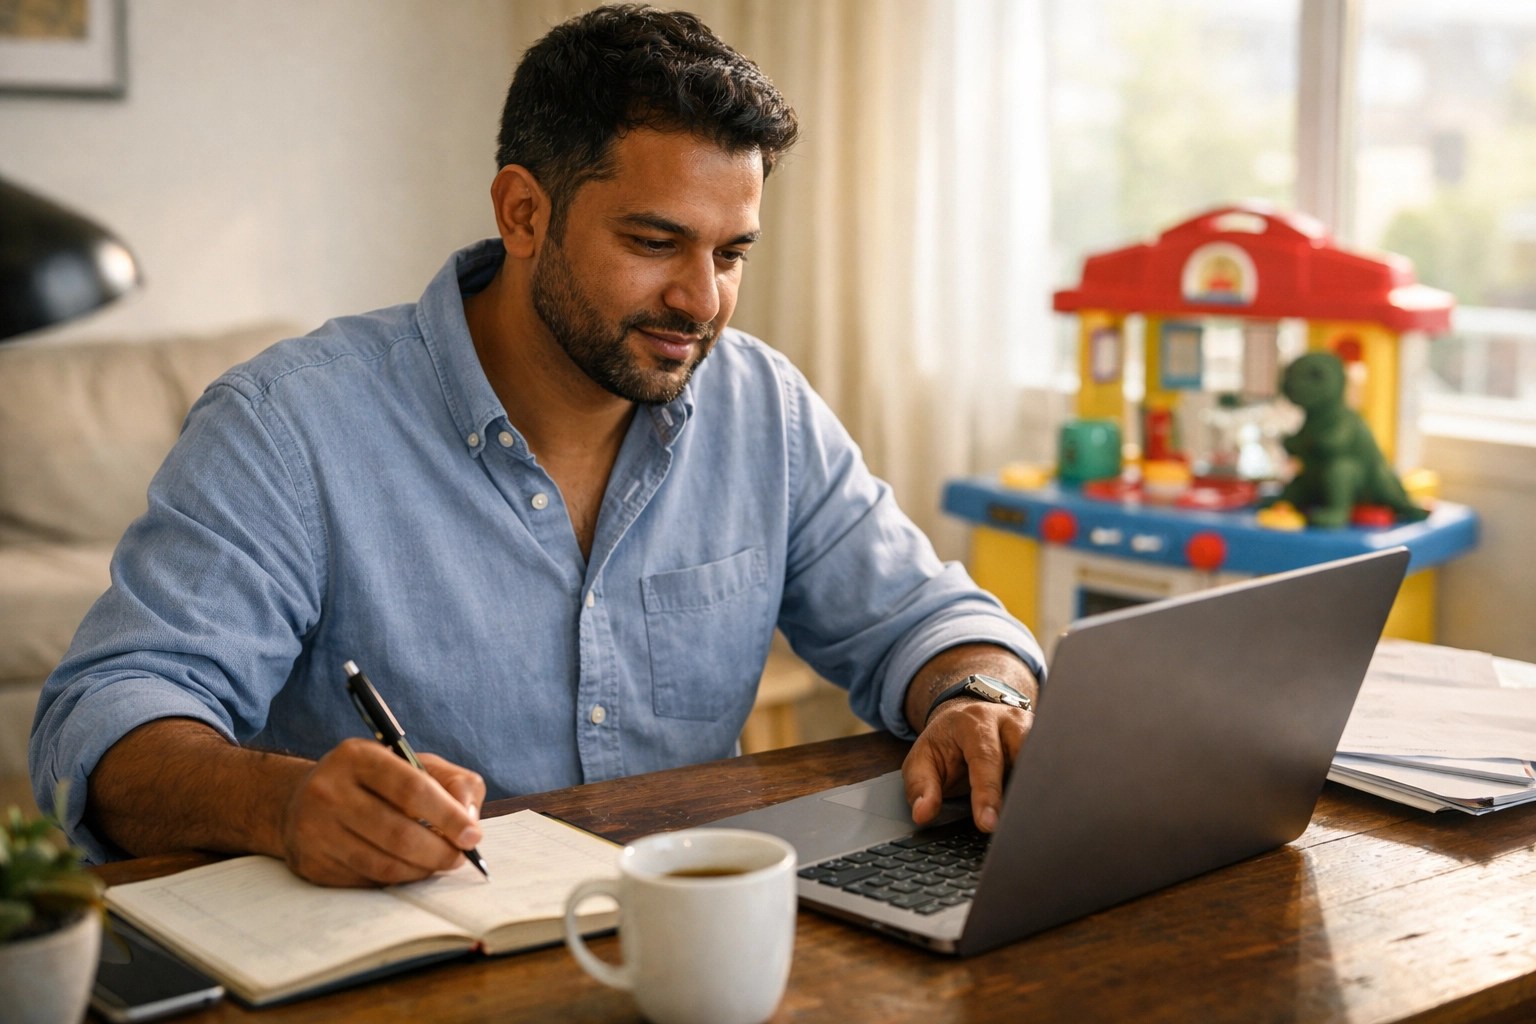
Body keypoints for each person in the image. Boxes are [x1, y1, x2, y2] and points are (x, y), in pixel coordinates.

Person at [30, 3, 1044, 887]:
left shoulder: (761, 406)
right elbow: (104, 718)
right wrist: (280, 803)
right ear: (523, 212)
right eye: (655, 243)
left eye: (730, 252)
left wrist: (975, 694)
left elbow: (929, 617)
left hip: (686, 938)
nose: (703, 300)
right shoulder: (287, 424)